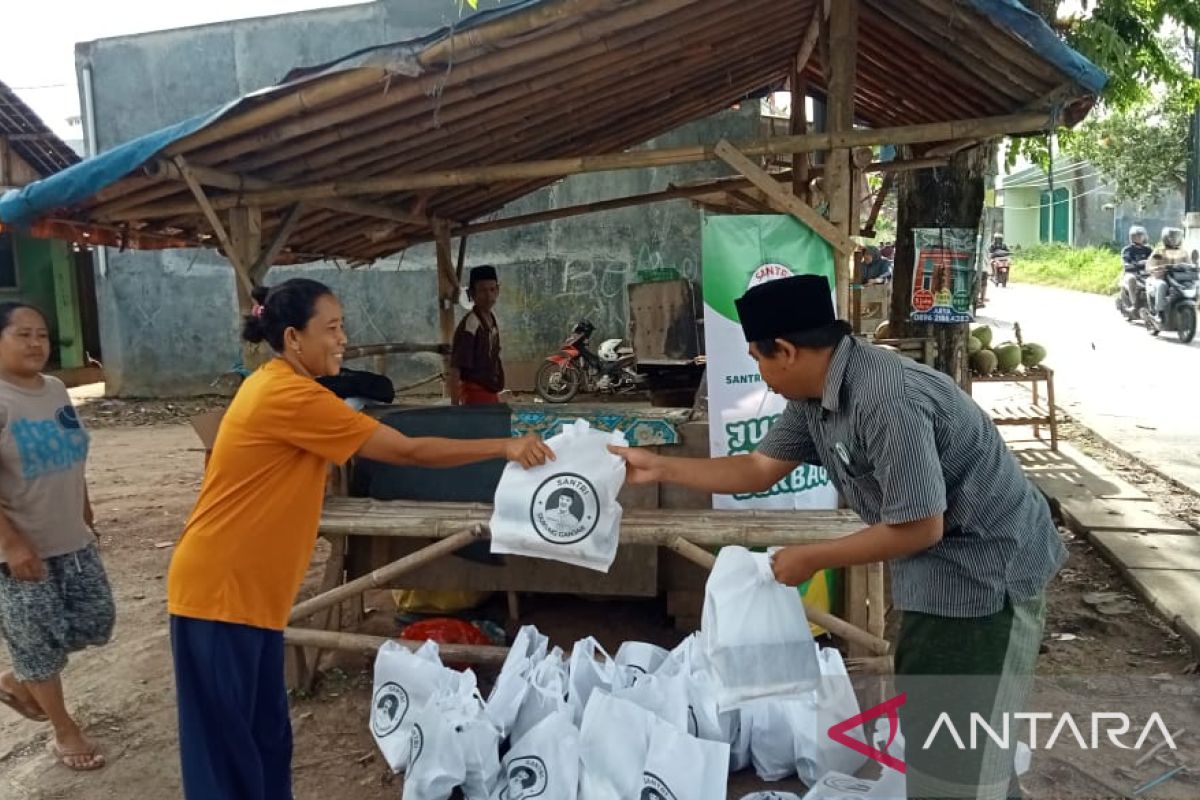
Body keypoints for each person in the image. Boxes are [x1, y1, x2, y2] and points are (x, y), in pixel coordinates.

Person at [611, 274, 1063, 800]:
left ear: (784, 349)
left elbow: (921, 525)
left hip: (986, 579)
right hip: (933, 574)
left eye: (758, 359)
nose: (760, 371)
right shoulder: (815, 394)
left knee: (959, 742)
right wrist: (660, 468)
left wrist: (813, 558)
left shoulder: (885, 396)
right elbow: (758, 468)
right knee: (944, 732)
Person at [167, 278, 552, 800]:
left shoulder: (283, 386)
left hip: (250, 594)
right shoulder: (286, 394)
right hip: (219, 593)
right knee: (225, 755)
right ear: (293, 338)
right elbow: (407, 451)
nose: (343, 338)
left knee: (265, 740)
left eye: (342, 326)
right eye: (331, 328)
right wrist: (503, 446)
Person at [0, 302, 114, 771]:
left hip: (70, 535)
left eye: (42, 335)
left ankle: (19, 681)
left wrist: (84, 507)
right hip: (18, 549)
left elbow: (73, 452)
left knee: (95, 620)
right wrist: (11, 545)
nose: (35, 344)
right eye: (22, 334)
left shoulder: (55, 390)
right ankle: (65, 731)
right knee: (39, 645)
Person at [451, 265, 504, 405]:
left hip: (490, 389)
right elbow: (456, 365)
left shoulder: (491, 319)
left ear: (498, 291)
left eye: (492, 290)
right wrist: (455, 404)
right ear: (472, 294)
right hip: (475, 393)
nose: (488, 296)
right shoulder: (471, 324)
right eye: (482, 290)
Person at [1120, 225, 1152, 309]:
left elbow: (1154, 259)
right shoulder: (1127, 250)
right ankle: (1134, 304)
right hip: (1132, 273)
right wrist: (1137, 264)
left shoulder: (1148, 249)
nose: (1143, 237)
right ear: (1134, 237)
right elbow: (1125, 262)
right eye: (1141, 235)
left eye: (1142, 235)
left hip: (1146, 273)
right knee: (1131, 279)